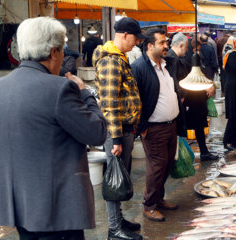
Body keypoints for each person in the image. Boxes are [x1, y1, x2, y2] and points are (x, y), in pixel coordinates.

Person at [0, 17, 107, 240]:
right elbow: (97, 133)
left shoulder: (1, 87)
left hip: (20, 206)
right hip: (56, 211)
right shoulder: (60, 89)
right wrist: (85, 92)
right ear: (54, 52)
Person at [92, 17, 145, 240]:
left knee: (120, 177)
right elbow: (109, 103)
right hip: (117, 131)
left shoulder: (119, 58)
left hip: (124, 129)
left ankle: (119, 220)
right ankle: (114, 229)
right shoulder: (111, 61)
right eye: (135, 39)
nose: (136, 43)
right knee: (114, 179)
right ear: (124, 35)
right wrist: (115, 139)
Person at [131, 27, 186, 222]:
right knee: (156, 167)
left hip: (171, 125)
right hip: (153, 128)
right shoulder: (139, 67)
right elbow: (134, 100)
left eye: (166, 42)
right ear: (150, 45)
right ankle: (149, 205)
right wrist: (142, 126)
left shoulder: (167, 64)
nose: (166, 46)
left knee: (167, 164)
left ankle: (159, 199)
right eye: (162, 43)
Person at [182, 37, 218, 161]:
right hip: (190, 99)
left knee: (200, 127)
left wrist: (209, 85)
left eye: (198, 49)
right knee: (186, 128)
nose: (197, 52)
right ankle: (183, 156)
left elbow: (202, 74)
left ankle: (204, 152)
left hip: (199, 98)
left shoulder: (197, 60)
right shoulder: (184, 61)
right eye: (195, 50)